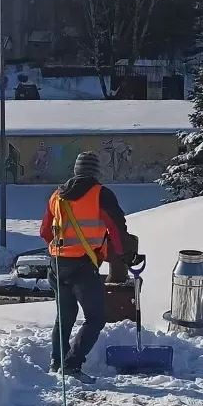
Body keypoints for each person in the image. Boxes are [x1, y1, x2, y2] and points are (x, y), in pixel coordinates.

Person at [39, 151, 133, 383]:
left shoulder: (57, 195)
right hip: (83, 266)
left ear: (76, 171)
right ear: (95, 172)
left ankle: (57, 361)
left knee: (65, 317)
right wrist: (125, 255)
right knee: (95, 318)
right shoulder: (101, 195)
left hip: (57, 265)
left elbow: (44, 232)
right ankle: (72, 364)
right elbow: (116, 228)